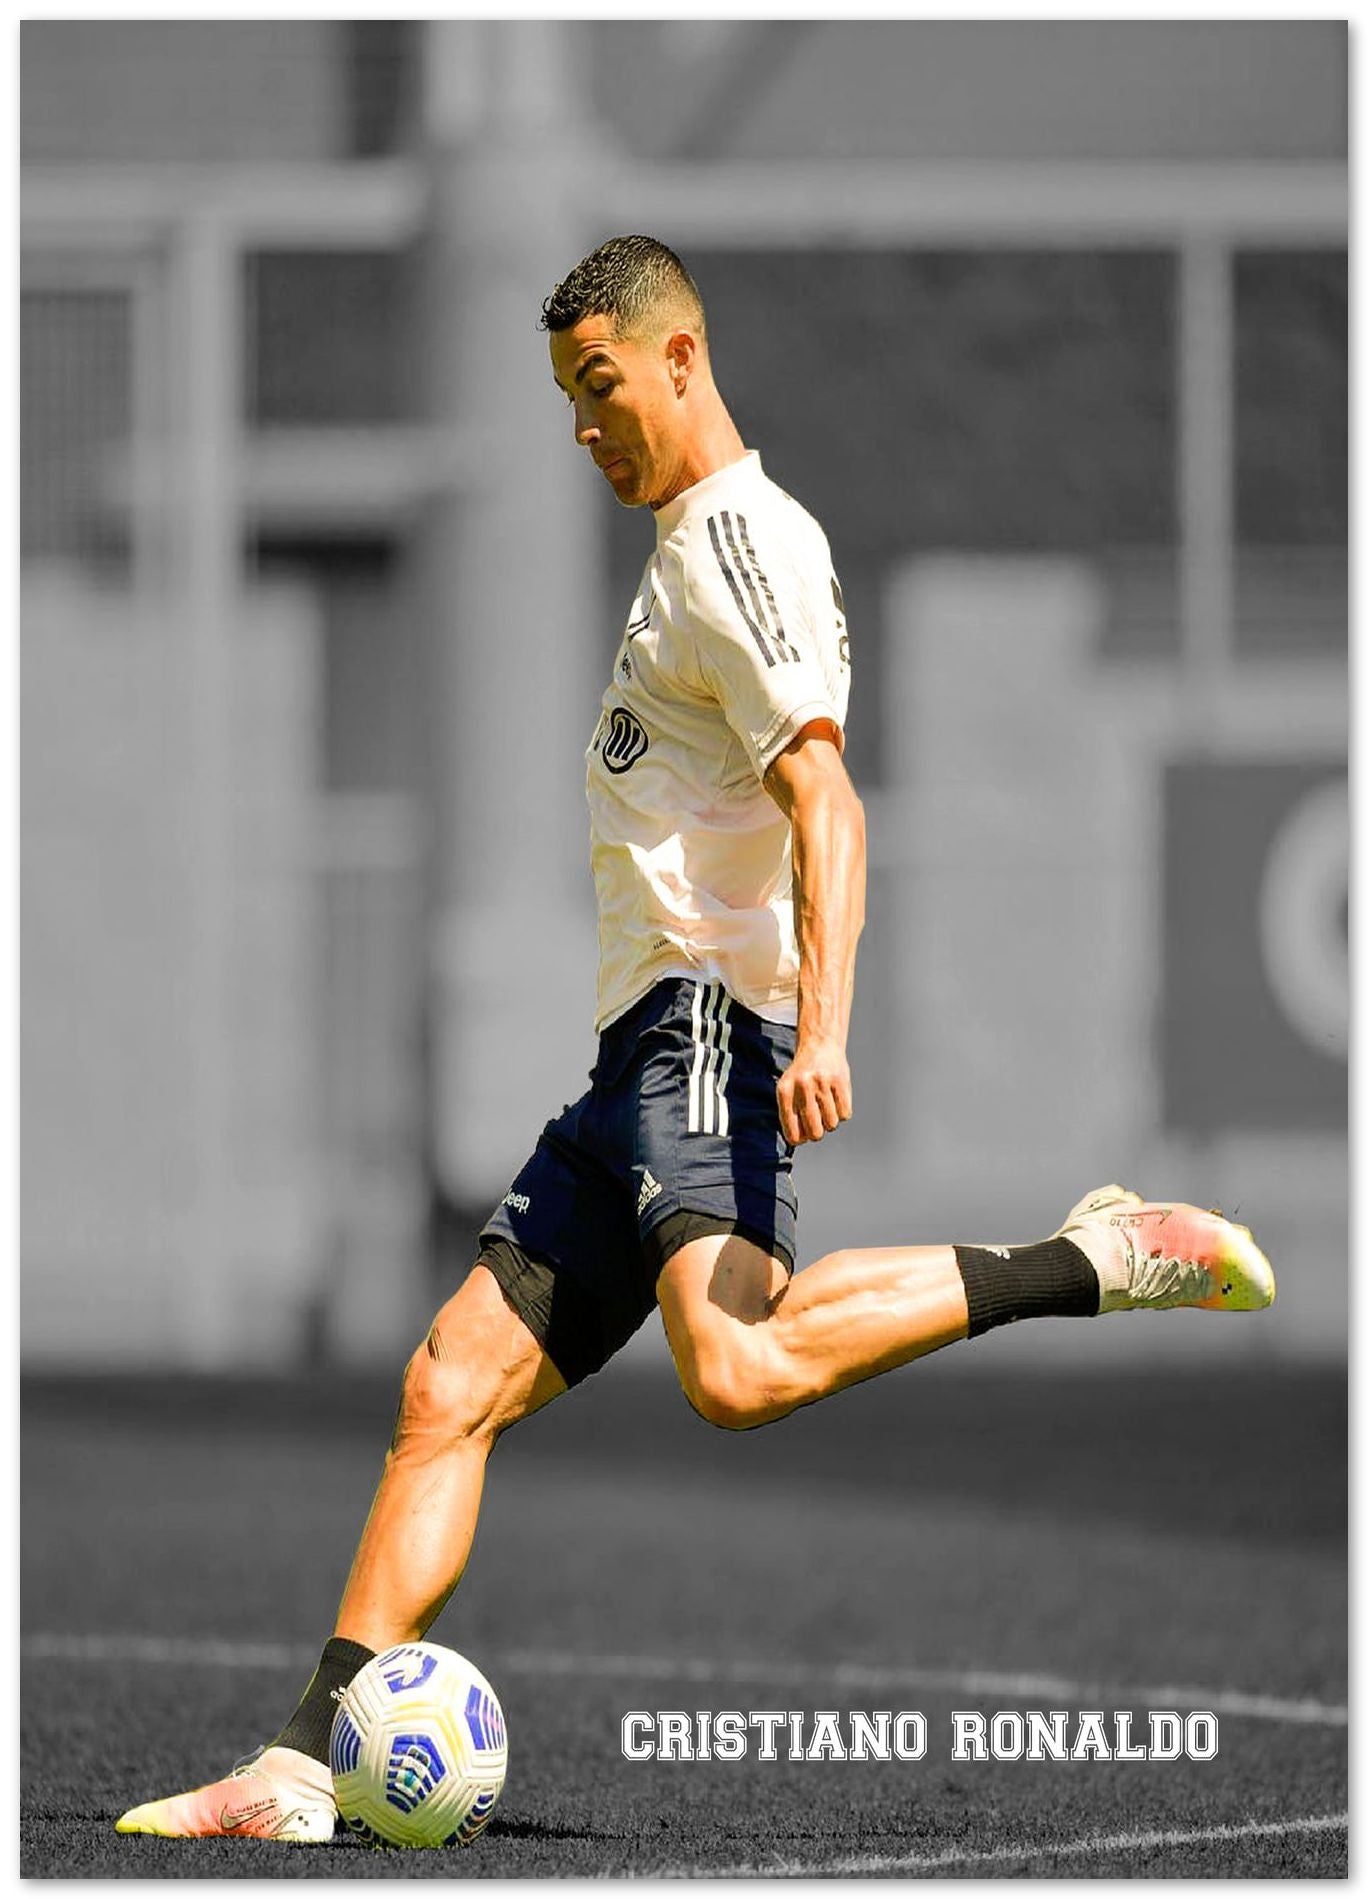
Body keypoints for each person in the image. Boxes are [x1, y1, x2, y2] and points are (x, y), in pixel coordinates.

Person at [116, 235, 1274, 1843]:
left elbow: (829, 803)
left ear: (682, 356)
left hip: (713, 1029)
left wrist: (826, 1025)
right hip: (634, 1065)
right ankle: (301, 1769)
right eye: (565, 400)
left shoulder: (740, 545)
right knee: (450, 1384)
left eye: (602, 386)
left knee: (734, 1367)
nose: (585, 426)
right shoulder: (685, 552)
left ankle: (1088, 1258)